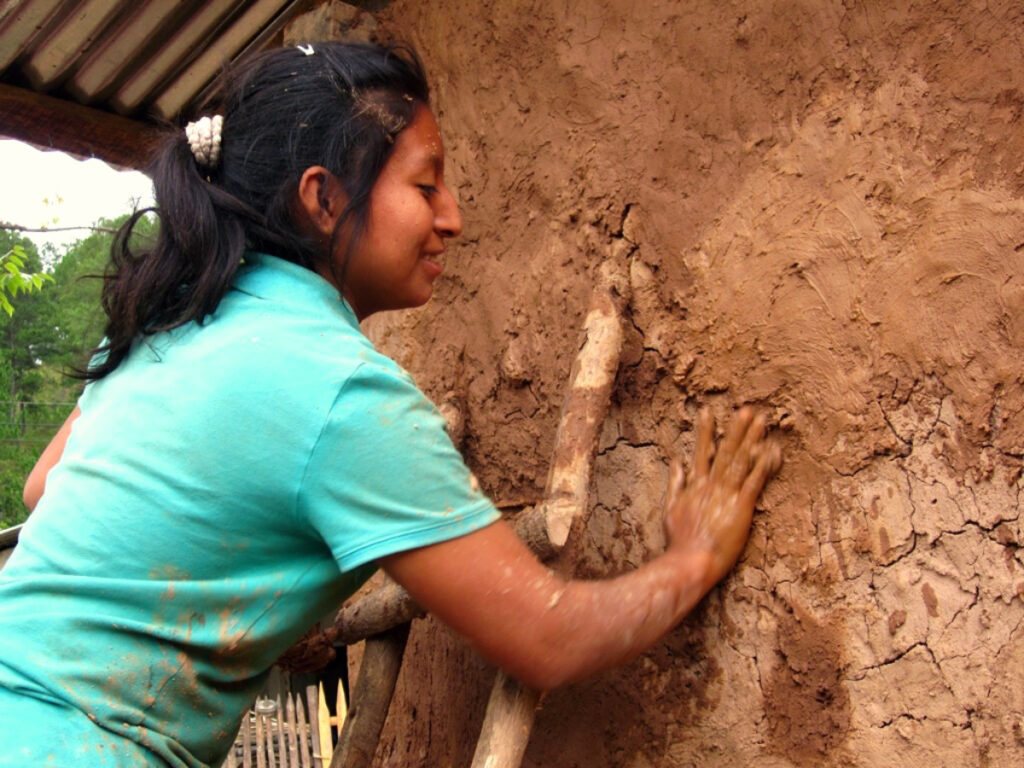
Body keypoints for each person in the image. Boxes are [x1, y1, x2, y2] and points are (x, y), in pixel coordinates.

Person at [0, 41, 781, 767]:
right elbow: (546, 638)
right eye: (425, 185)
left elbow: (44, 489)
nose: (453, 217)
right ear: (323, 198)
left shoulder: (170, 321)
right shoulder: (336, 389)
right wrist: (695, 557)